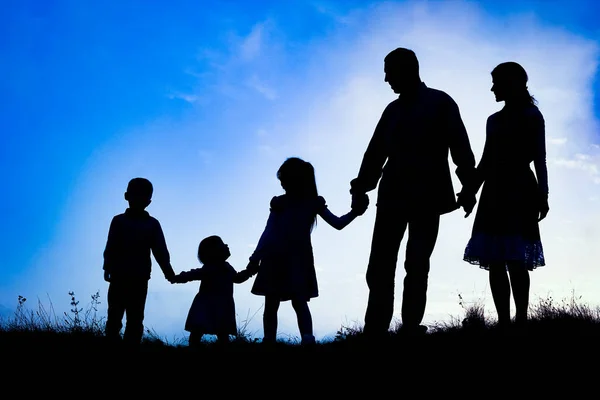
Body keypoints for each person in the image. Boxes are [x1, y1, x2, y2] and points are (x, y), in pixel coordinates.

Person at [349, 47, 477, 338]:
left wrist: (468, 187)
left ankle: (409, 328)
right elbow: (375, 153)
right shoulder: (392, 110)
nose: (385, 79)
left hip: (428, 196)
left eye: (388, 72)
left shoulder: (441, 103)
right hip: (393, 195)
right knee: (380, 265)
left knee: (417, 263)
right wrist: (361, 187)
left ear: (407, 70)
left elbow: (460, 148)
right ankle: (376, 328)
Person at [462, 61, 549, 330]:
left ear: (510, 83)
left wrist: (542, 195)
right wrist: (470, 191)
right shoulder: (494, 120)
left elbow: (539, 158)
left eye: (496, 82)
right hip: (496, 191)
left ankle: (520, 320)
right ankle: (504, 322)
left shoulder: (531, 115)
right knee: (497, 259)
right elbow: (487, 161)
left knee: (514, 257)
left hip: (519, 189)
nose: (492, 88)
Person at [248, 157, 368, 345]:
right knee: (298, 301)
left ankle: (269, 340)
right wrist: (355, 212)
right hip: (298, 258)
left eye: (283, 179)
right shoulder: (311, 203)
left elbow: (268, 233)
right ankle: (307, 340)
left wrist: (255, 258)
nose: (281, 183)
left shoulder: (281, 203)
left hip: (276, 258)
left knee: (272, 304)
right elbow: (338, 224)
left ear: (292, 180)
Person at [102, 177, 176, 347]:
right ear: (127, 196)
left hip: (137, 277)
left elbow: (160, 251)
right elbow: (111, 246)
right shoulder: (120, 221)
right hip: (123, 275)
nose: (139, 199)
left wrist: (168, 271)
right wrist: (108, 266)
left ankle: (128, 346)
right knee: (116, 314)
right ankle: (115, 344)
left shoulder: (150, 224)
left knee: (134, 316)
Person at [171, 235, 257, 347]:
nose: (226, 245)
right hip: (211, 304)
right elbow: (194, 274)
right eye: (222, 244)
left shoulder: (224, 266)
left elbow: (236, 278)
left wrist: (249, 271)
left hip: (211, 303)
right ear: (214, 251)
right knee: (209, 331)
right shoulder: (214, 267)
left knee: (210, 331)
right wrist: (250, 272)